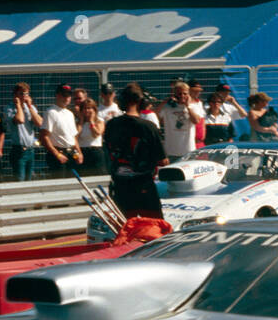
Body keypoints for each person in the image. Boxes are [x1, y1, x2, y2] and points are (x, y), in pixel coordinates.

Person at [103, 83, 168, 219]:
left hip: (120, 185)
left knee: (126, 226)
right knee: (153, 226)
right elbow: (162, 160)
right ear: (141, 102)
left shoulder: (111, 125)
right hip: (143, 185)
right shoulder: (148, 127)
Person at [40, 83, 83, 178]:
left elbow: (73, 137)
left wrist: (79, 152)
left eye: (69, 95)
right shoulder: (50, 112)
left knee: (73, 184)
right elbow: (44, 137)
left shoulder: (70, 114)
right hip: (58, 155)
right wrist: (57, 154)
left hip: (71, 154)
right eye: (64, 95)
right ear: (57, 95)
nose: (67, 98)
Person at [3, 82, 42, 181]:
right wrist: (18, 106)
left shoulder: (31, 108)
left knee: (29, 180)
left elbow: (40, 123)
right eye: (21, 94)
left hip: (31, 149)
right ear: (15, 95)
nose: (24, 97)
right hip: (19, 150)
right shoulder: (9, 108)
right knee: (19, 180)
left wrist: (29, 107)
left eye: (27, 94)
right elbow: (20, 120)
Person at [160, 80, 201, 159]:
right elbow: (157, 117)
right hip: (171, 151)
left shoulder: (194, 106)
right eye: (179, 93)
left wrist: (188, 107)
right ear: (175, 94)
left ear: (188, 94)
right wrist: (164, 102)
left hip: (188, 150)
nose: (182, 96)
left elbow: (196, 120)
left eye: (185, 93)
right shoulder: (167, 108)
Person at [78, 98, 106, 175]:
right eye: (85, 108)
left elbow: (96, 134)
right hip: (83, 151)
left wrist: (91, 121)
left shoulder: (100, 121)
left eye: (89, 108)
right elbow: (76, 135)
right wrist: (81, 121)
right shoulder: (79, 123)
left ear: (94, 109)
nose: (87, 110)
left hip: (95, 151)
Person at [187, 79, 207, 146]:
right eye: (195, 91)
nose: (197, 93)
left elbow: (202, 121)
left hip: (200, 142)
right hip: (190, 142)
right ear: (189, 90)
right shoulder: (186, 105)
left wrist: (203, 135)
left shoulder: (199, 103)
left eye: (199, 91)